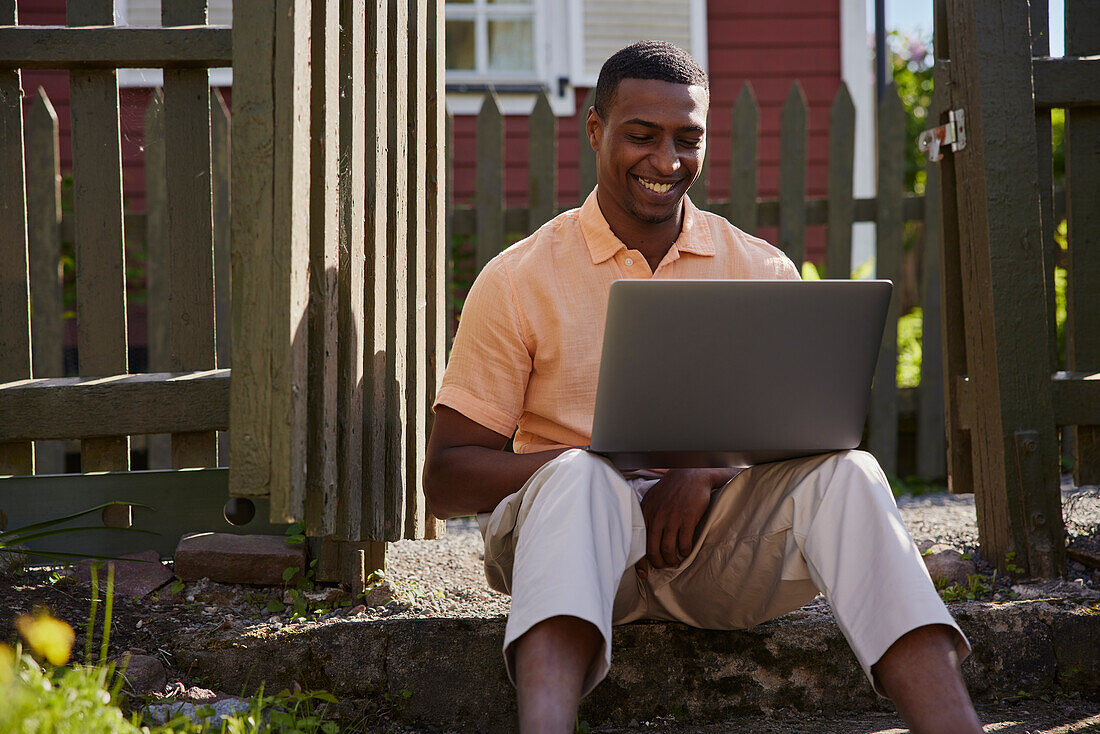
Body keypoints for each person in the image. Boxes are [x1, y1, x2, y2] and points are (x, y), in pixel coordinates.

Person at [423, 40, 982, 734]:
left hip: (712, 560)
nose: (668, 160)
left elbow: (804, 441)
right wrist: (608, 465)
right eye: (642, 135)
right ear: (595, 130)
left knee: (852, 473)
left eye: (688, 139)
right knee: (578, 477)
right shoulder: (517, 278)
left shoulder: (761, 270)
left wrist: (713, 464)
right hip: (569, 555)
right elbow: (446, 480)